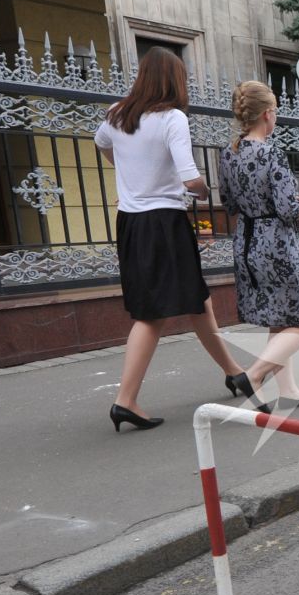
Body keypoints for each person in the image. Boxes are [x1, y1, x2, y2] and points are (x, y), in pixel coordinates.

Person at [93, 47, 248, 432]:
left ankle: (234, 372)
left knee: (196, 300)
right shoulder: (172, 118)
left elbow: (102, 146)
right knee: (152, 315)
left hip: (130, 222)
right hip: (164, 222)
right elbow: (189, 176)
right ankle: (125, 400)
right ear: (174, 79)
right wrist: (204, 191)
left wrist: (131, 176)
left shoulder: (117, 113)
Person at [218, 80, 299, 411]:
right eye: (274, 111)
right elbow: (287, 210)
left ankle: (287, 388)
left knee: (280, 316)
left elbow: (230, 204)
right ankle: (254, 375)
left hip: (246, 243)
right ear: (266, 114)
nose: (275, 117)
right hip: (276, 245)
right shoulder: (271, 153)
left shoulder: (228, 153)